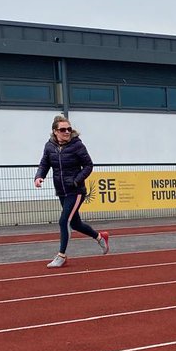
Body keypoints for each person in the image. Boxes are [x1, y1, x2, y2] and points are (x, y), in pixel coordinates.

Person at [34, 115, 109, 269]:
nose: (67, 132)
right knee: (75, 223)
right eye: (63, 129)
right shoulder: (49, 146)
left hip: (76, 191)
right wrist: (39, 176)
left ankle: (61, 256)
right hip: (61, 190)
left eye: (69, 129)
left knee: (64, 221)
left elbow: (88, 165)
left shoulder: (77, 146)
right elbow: (44, 163)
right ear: (55, 131)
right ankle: (100, 237)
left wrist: (76, 180)